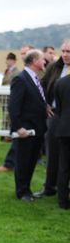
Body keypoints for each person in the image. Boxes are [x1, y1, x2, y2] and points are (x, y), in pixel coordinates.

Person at [8, 49, 49, 201]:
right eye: (42, 59)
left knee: (31, 161)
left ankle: (27, 190)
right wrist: (19, 127)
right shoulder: (21, 79)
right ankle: (22, 192)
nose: (45, 62)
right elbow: (14, 106)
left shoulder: (35, 78)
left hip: (37, 129)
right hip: (25, 130)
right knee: (23, 162)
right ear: (34, 61)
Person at [37, 39, 70, 199]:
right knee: (52, 153)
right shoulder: (55, 67)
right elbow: (41, 86)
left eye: (68, 52)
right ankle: (50, 186)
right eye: (63, 51)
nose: (65, 54)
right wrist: (45, 105)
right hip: (55, 115)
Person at [0, 48, 30, 172]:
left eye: (25, 53)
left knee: (16, 132)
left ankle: (10, 164)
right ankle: (10, 163)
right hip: (11, 103)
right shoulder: (9, 72)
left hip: (18, 105)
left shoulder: (18, 73)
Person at [53, 71, 70, 209]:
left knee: (63, 167)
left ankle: (63, 201)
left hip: (64, 129)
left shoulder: (61, 82)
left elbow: (58, 109)